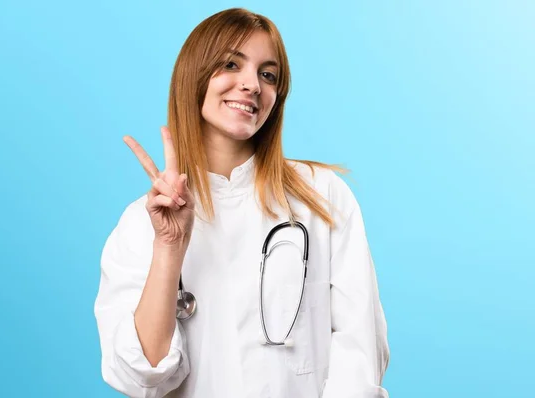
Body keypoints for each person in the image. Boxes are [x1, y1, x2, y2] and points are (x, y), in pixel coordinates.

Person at [94, 7, 389, 398]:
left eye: (268, 75)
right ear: (194, 74)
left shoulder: (322, 195)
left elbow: (359, 351)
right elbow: (142, 376)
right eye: (231, 64)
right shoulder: (140, 224)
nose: (252, 85)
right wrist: (169, 247)